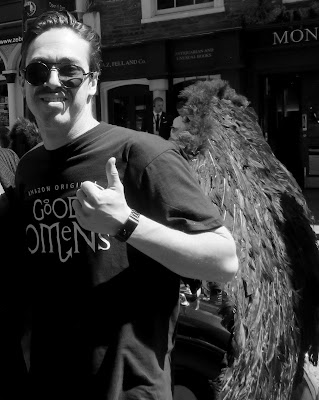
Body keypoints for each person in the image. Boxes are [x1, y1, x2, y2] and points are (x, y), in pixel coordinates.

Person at [14, 10, 238, 400]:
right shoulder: (29, 168)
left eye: (69, 70)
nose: (52, 81)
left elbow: (223, 260)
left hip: (129, 390)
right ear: (24, 84)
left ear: (92, 82)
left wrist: (127, 223)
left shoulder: (142, 155)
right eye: (38, 71)